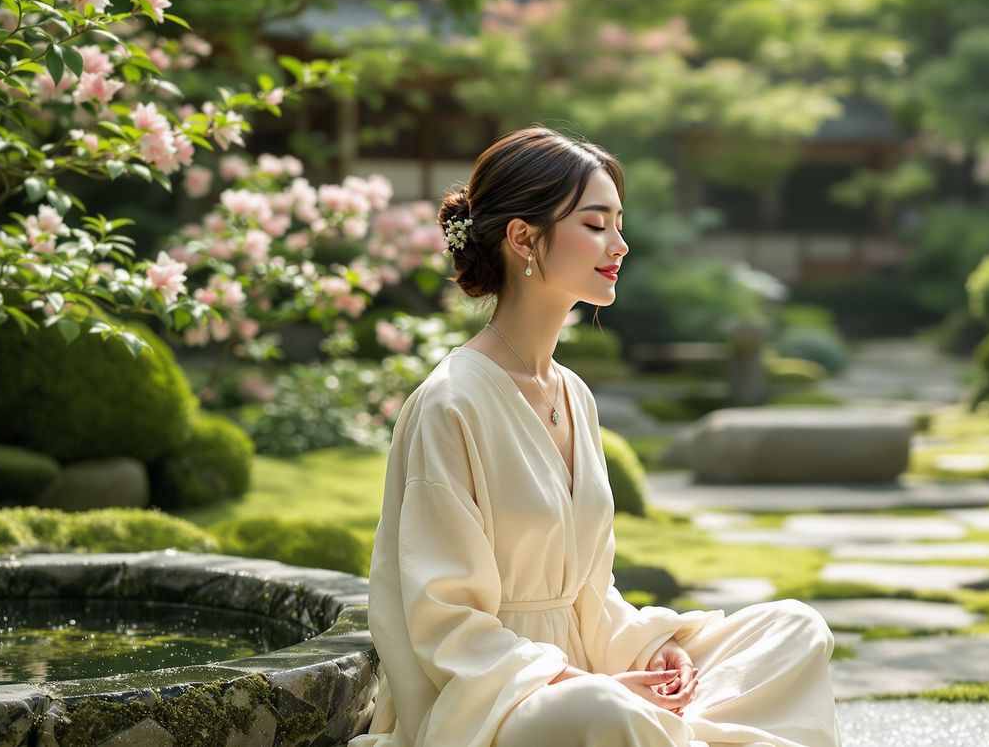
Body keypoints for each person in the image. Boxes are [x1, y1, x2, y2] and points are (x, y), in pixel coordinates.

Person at [348, 125, 843, 747]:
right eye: (595, 223)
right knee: (606, 715)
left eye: (618, 222)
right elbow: (443, 622)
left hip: (590, 671)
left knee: (792, 627)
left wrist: (652, 648)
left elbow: (588, 593)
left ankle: (664, 727)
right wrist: (578, 683)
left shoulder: (572, 393)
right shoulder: (451, 402)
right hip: (492, 698)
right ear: (524, 238)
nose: (620, 244)